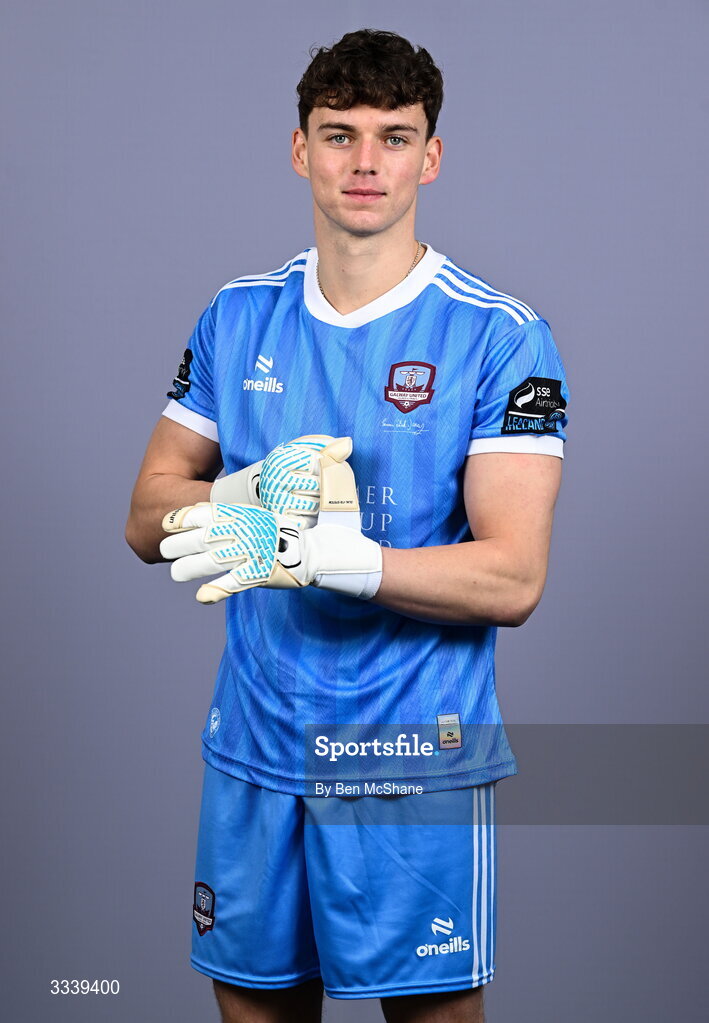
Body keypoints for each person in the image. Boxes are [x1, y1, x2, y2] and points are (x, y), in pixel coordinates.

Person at [125, 28, 569, 1023]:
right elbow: (145, 515)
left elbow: (513, 578)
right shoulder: (237, 316)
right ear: (300, 150)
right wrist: (241, 497)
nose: (365, 162)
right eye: (339, 135)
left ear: (429, 157)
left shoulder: (498, 335)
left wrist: (341, 559)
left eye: (393, 137)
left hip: (408, 757)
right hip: (253, 744)